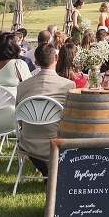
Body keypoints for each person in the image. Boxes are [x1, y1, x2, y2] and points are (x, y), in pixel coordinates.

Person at [14, 43, 75, 175]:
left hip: (29, 141)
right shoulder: (68, 85)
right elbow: (72, 117)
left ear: (35, 62)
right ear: (57, 58)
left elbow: (19, 118)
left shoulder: (22, 86)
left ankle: (45, 170)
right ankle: (52, 171)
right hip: (57, 139)